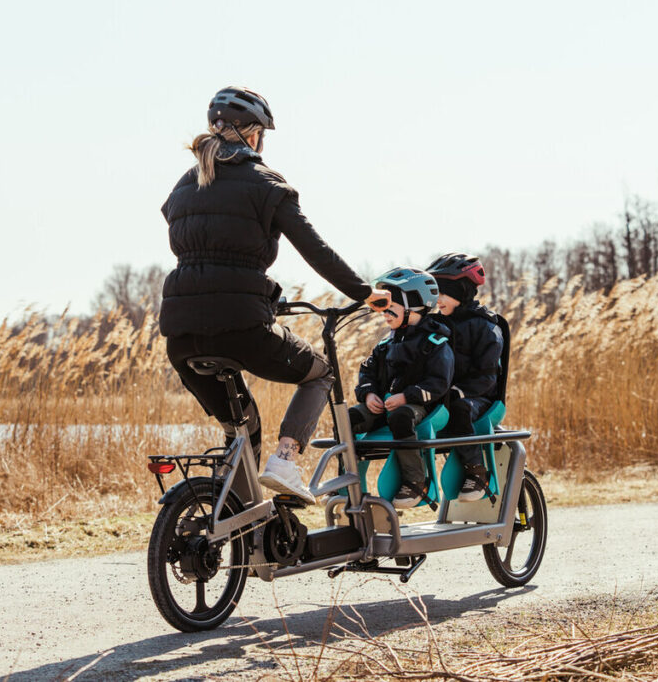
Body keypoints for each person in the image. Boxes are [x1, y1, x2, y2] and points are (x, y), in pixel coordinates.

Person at [159, 86, 390, 504]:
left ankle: (242, 518)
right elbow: (314, 248)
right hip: (241, 325)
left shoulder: (184, 184)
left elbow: (195, 243)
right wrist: (364, 292)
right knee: (319, 372)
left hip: (180, 336)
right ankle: (285, 461)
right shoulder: (265, 183)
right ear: (253, 135)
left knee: (243, 429)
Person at [349, 267, 454, 509]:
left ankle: (416, 481)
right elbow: (367, 370)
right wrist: (368, 394)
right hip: (384, 404)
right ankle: (350, 484)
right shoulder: (386, 343)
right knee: (349, 418)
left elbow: (439, 383)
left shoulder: (435, 342)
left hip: (424, 407)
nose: (384, 313)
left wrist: (407, 396)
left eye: (390, 307)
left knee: (400, 417)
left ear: (414, 305)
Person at [426, 253, 504, 502]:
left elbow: (488, 377)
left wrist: (459, 391)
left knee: (458, 408)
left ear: (460, 291)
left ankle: (477, 473)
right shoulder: (436, 326)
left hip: (478, 398)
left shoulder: (485, 326)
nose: (437, 300)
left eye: (443, 293)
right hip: (443, 395)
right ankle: (415, 479)